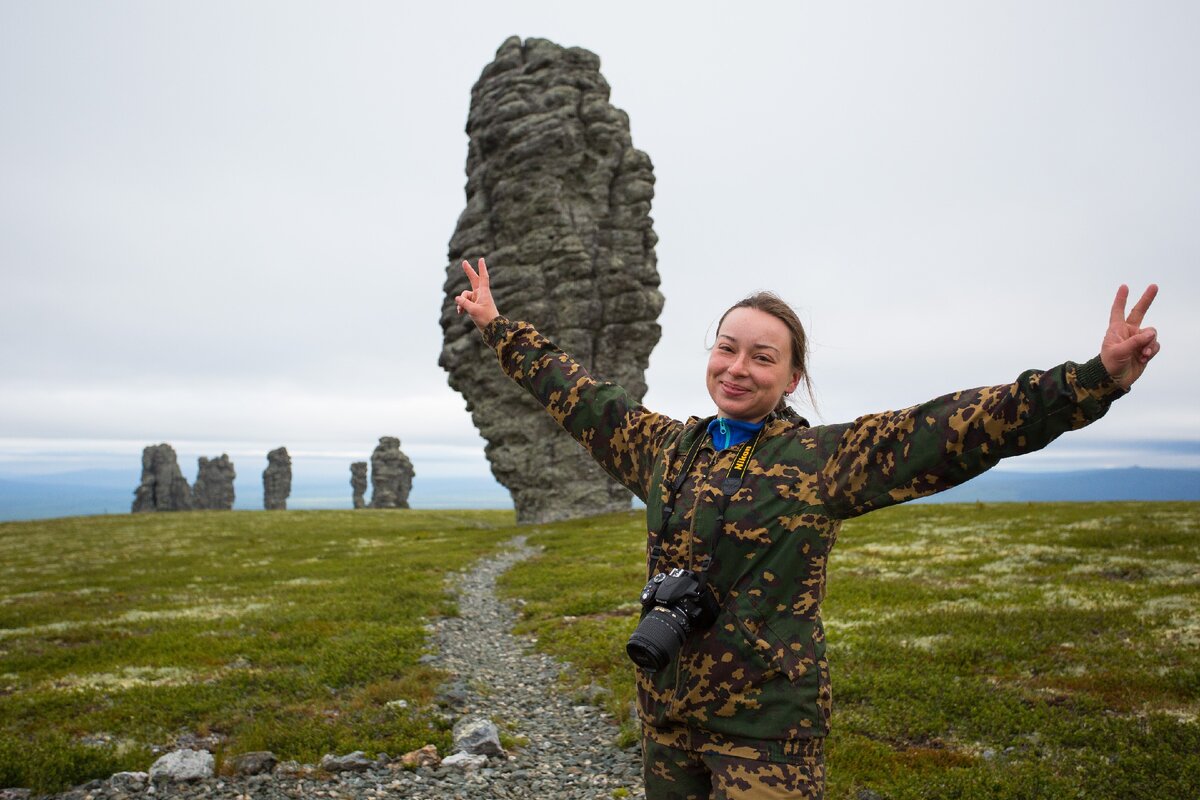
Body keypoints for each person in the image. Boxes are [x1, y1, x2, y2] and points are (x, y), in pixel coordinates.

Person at [454, 257, 1160, 800]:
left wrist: (1094, 378)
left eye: (763, 357)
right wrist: (494, 324)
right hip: (667, 718)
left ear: (792, 379)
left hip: (768, 733)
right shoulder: (666, 449)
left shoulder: (822, 460)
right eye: (726, 348)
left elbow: (955, 430)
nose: (737, 368)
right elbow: (573, 391)